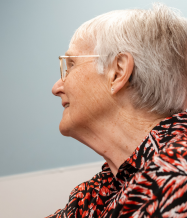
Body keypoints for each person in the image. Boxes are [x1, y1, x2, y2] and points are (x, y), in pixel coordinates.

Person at [48, 3, 187, 217]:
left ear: (118, 72)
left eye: (71, 65)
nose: (56, 88)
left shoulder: (177, 175)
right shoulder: (99, 191)